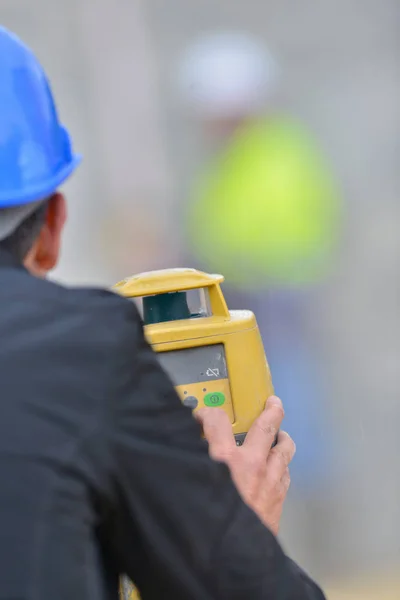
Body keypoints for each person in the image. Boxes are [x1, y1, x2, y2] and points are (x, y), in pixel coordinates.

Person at [0, 26, 325, 599]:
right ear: (52, 225)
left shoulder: (271, 159)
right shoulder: (82, 346)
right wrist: (226, 540)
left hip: (272, 300)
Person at [178, 31, 342, 493]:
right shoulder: (247, 153)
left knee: (287, 392)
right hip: (254, 290)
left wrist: (213, 265)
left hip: (273, 293)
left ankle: (300, 489)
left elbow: (266, 233)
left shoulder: (270, 154)